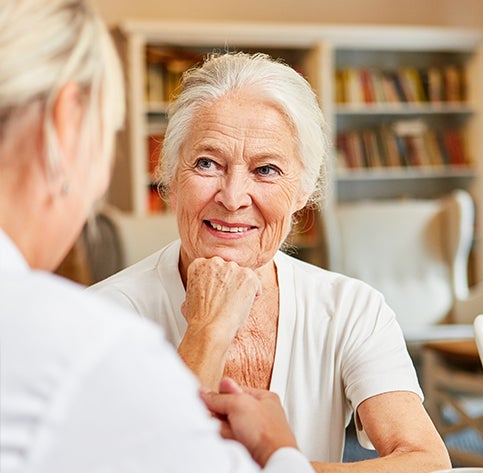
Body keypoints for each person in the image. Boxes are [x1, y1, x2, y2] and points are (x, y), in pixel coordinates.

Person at [89, 51, 451, 472]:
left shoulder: (352, 309)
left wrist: (281, 465)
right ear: (170, 173)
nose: (233, 196)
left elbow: (426, 463)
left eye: (266, 170)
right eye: (207, 163)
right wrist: (208, 330)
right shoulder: (103, 316)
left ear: (302, 191)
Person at [0, 1, 315, 472]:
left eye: (266, 169)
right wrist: (280, 452)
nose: (233, 197)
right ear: (66, 125)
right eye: (109, 135)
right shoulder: (91, 344)